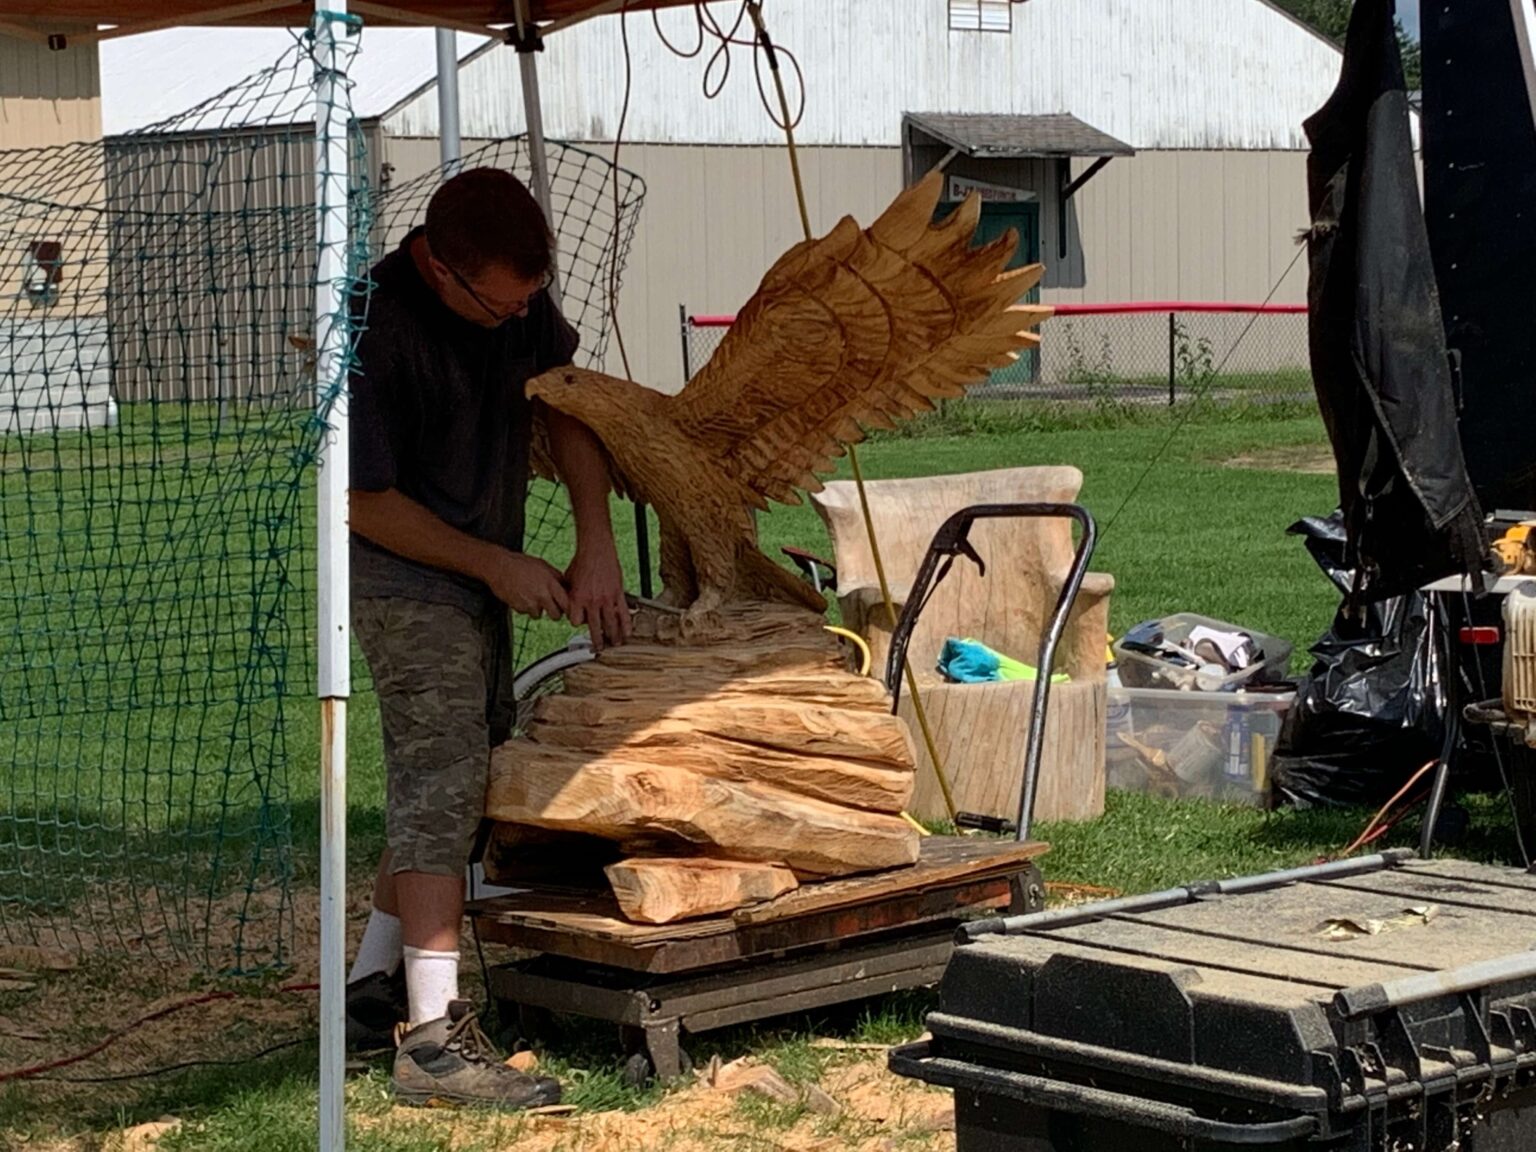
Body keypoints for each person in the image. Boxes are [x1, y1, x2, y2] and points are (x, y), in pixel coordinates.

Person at [340, 167, 630, 1109]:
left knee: (456, 776)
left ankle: (368, 994)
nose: (517, 321)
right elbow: (362, 501)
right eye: (499, 306)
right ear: (436, 264)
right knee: (441, 780)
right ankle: (430, 1042)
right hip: (401, 572)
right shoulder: (369, 326)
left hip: (476, 572)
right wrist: (493, 564)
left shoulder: (519, 312)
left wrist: (597, 544)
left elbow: (566, 404)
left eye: (528, 305)